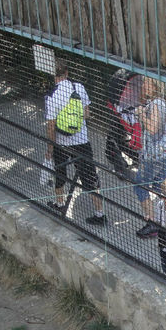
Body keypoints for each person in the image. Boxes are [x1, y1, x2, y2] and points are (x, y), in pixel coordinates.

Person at [45, 59, 105, 225]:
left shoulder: (51, 95)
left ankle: (60, 204)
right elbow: (87, 114)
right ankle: (100, 213)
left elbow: (51, 126)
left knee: (60, 173)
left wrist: (50, 148)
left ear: (53, 75)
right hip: (81, 140)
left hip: (62, 143)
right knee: (90, 177)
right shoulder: (78, 87)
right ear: (67, 73)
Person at [133, 77, 166, 238]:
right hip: (163, 153)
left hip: (154, 156)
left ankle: (153, 222)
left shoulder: (157, 103)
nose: (143, 85)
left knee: (140, 185)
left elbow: (152, 128)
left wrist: (141, 114)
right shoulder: (159, 102)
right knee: (159, 185)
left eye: (146, 83)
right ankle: (164, 219)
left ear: (155, 85)